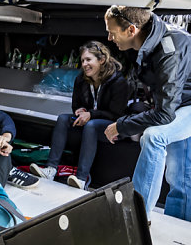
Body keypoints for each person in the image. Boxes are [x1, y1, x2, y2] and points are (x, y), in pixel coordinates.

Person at [103, 6, 191, 221]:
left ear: (131, 30)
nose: (109, 38)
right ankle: (180, 222)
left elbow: (165, 115)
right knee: (179, 173)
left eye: (112, 32)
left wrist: (120, 126)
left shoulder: (169, 51)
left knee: (154, 136)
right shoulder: (153, 38)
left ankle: (137, 217)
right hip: (182, 105)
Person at [30, 41, 128, 189]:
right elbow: (75, 104)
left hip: (112, 126)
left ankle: (81, 179)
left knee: (92, 125)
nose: (84, 64)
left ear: (101, 60)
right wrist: (80, 110)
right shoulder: (81, 79)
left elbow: (116, 114)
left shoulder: (118, 82)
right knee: (63, 118)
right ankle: (50, 169)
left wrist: (91, 115)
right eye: (82, 60)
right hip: (90, 121)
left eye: (88, 60)